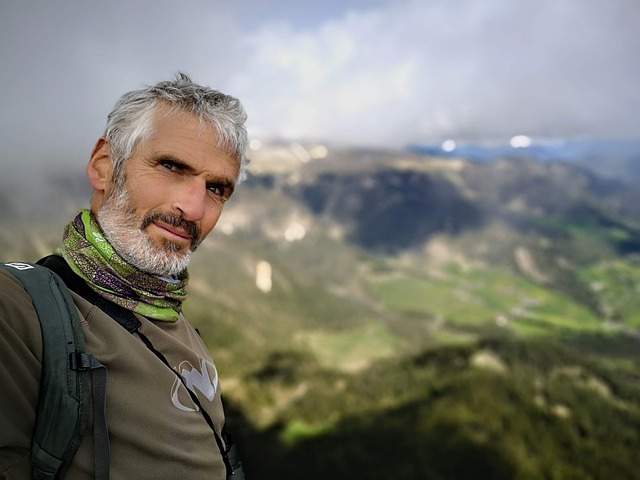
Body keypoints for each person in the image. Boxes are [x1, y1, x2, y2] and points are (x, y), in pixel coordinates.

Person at [0, 73, 248, 479]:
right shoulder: (16, 309)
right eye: (171, 166)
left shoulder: (176, 321)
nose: (194, 208)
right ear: (103, 167)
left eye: (217, 188)